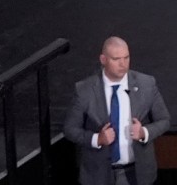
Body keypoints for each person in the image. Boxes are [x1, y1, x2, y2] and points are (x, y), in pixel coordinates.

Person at [63, 36, 171, 185]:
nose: (123, 64)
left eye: (126, 58)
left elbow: (164, 120)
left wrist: (143, 133)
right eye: (116, 59)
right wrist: (96, 139)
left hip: (137, 174)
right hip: (98, 175)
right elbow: (70, 129)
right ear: (103, 59)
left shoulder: (146, 84)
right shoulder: (85, 90)